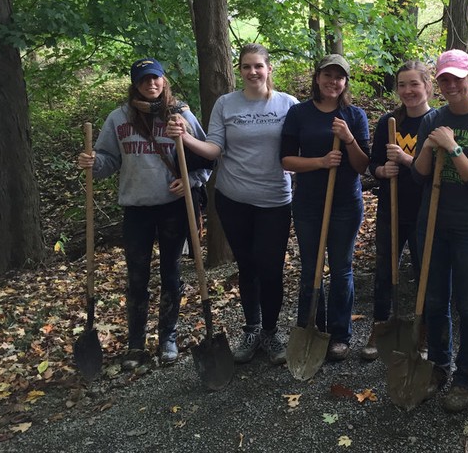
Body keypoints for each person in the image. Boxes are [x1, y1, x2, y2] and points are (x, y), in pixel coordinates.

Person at [166, 43, 298, 365]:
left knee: (271, 268)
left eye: (258, 66)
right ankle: (252, 329)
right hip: (233, 198)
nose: (252, 72)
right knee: (247, 266)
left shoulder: (289, 105)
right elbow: (213, 149)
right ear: (239, 70)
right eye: (246, 66)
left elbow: (298, 148)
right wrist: (184, 137)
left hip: (274, 200)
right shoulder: (226, 104)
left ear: (269, 69)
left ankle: (271, 331)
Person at [77, 57, 209, 369]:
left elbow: (207, 156)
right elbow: (109, 160)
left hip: (174, 207)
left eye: (156, 78)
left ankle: (168, 338)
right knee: (136, 276)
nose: (151, 84)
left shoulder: (180, 114)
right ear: (135, 84)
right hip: (136, 208)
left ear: (164, 80)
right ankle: (135, 344)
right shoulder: (118, 118)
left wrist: (189, 182)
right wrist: (93, 163)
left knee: (171, 273)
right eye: (144, 80)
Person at [411, 49, 468, 413]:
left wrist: (452, 146)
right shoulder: (431, 119)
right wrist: (431, 146)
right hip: (432, 223)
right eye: (444, 79)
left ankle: (466, 377)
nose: (450, 85)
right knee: (435, 300)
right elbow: (418, 174)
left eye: (456, 78)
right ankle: (439, 365)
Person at [280, 54, 370, 361]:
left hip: (345, 203)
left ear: (345, 82)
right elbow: (287, 160)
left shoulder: (354, 116)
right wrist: (320, 162)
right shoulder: (298, 114)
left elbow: (362, 166)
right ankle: (310, 328)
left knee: (342, 269)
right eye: (327, 75)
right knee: (311, 269)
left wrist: (347, 139)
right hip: (308, 203)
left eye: (339, 77)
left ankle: (340, 334)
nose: (333, 81)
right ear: (317, 78)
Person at [361, 61, 433, 361]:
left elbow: (435, 173)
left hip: (424, 210)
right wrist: (381, 169)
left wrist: (405, 160)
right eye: (402, 85)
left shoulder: (436, 122)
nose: (408, 90)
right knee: (385, 268)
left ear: (427, 86)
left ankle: (422, 332)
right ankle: (381, 326)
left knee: (424, 271)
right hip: (393, 207)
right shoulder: (389, 122)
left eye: (414, 84)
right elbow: (372, 163)